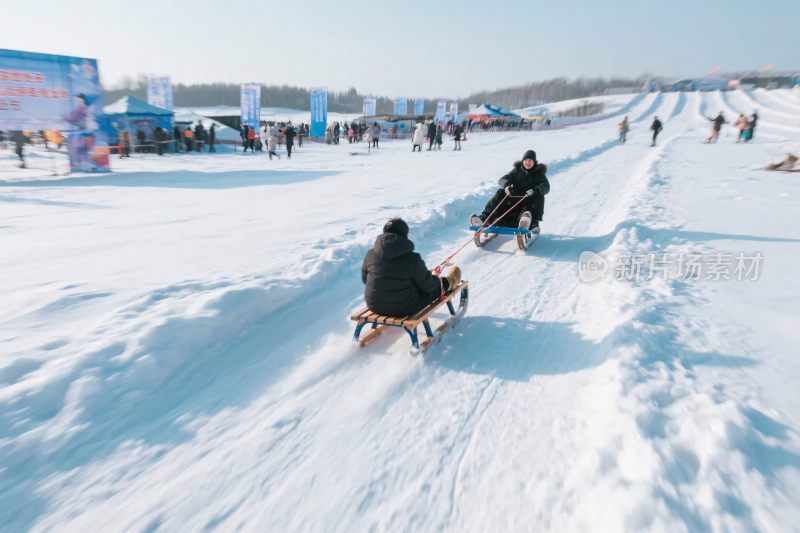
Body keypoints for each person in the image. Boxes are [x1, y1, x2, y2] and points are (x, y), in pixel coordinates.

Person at [361, 218, 462, 317]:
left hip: (374, 304)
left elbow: (365, 279)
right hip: (405, 307)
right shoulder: (413, 259)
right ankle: (451, 281)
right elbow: (429, 286)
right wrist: (435, 277)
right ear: (404, 235)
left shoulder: (370, 254)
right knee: (435, 287)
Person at [470, 149, 549, 233]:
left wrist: (535, 190)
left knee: (539, 195)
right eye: (526, 160)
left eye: (530, 160)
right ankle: (485, 217)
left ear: (534, 162)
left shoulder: (539, 173)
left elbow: (546, 187)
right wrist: (506, 186)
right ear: (523, 161)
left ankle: (533, 223)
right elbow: (503, 179)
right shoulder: (517, 171)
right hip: (514, 200)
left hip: (528, 202)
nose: (527, 162)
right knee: (501, 192)